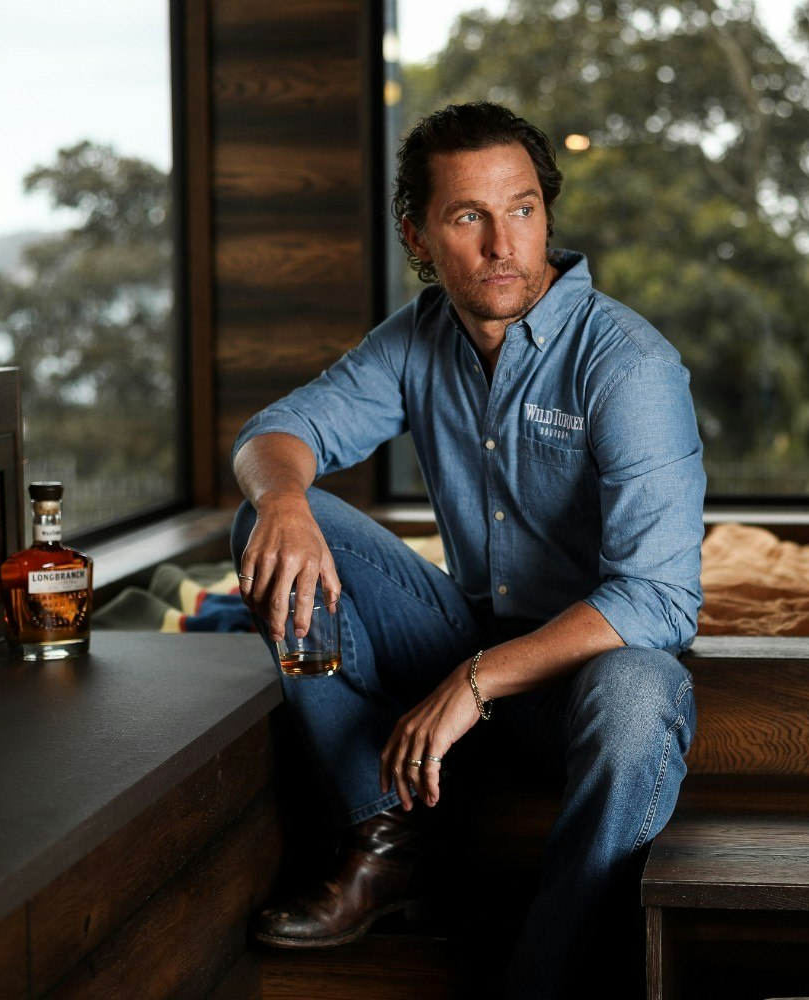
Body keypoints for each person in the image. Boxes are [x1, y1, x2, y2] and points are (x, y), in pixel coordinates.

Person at [231, 101, 704, 998]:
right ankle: (384, 839)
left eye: (521, 209)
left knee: (645, 692)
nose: (502, 246)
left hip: (588, 677)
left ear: (548, 217)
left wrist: (476, 682)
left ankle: (548, 974)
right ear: (418, 236)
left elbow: (661, 599)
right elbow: (277, 432)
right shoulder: (417, 337)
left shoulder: (628, 364)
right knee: (269, 520)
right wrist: (284, 497)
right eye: (468, 217)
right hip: (465, 636)